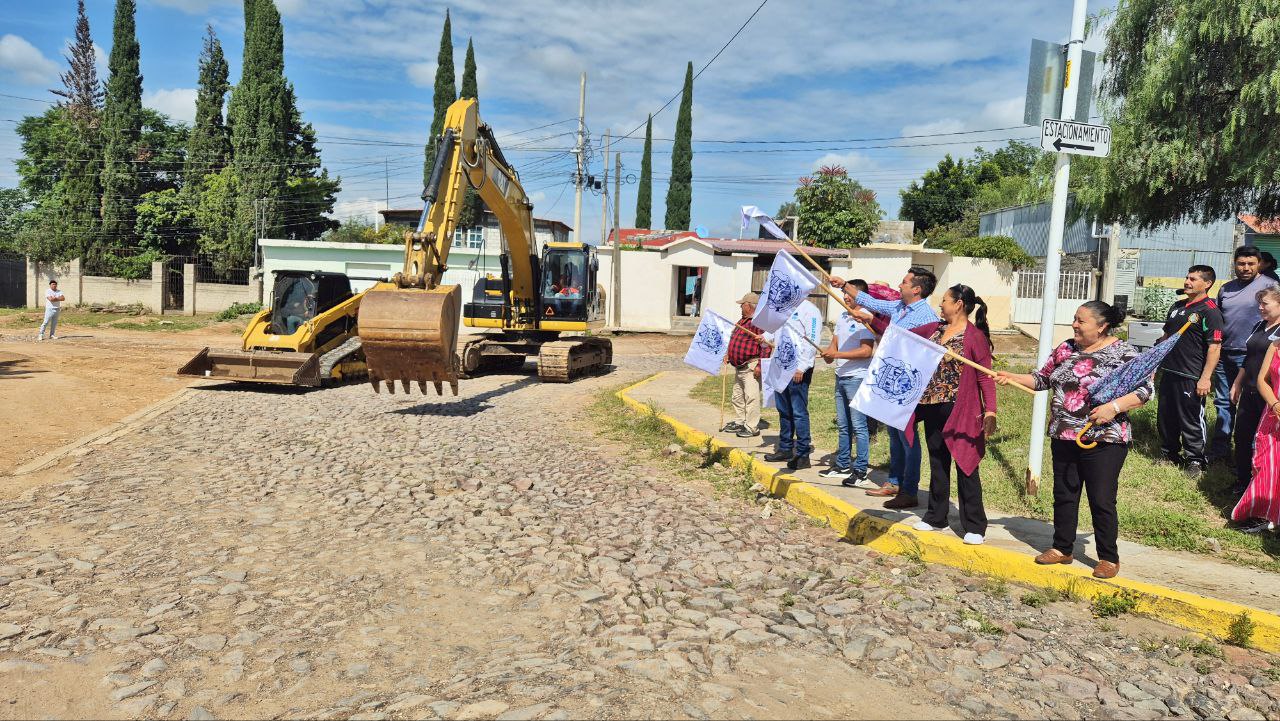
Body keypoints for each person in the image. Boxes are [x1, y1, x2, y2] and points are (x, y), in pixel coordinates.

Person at [996, 301, 1152, 579]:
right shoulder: (1066, 348)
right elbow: (1042, 379)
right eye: (1075, 320)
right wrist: (1011, 376)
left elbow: (1144, 391)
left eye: (1081, 321)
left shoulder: (1125, 353)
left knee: (1102, 498)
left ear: (1102, 326)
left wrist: (1112, 408)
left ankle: (1107, 557)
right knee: (1064, 493)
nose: (1075, 325)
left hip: (1105, 438)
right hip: (1064, 433)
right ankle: (1061, 547)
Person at [830, 267, 941, 510]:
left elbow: (911, 344)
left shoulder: (927, 317)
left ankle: (909, 489)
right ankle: (894, 482)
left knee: (908, 438)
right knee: (894, 434)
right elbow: (869, 301)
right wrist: (843, 284)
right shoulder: (899, 307)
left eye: (904, 282)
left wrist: (876, 323)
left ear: (916, 289)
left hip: (907, 385)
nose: (899, 286)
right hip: (890, 380)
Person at [913, 284, 998, 545]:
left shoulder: (974, 337)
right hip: (931, 405)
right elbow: (901, 336)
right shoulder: (934, 330)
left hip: (961, 409)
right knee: (938, 461)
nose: (941, 304)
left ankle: (974, 525)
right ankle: (935, 516)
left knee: (966, 463)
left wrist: (991, 410)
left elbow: (985, 376)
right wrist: (872, 317)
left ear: (958, 304)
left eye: (945, 300)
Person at [1158, 265, 1224, 479]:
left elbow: (1214, 347)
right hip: (1169, 370)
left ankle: (1195, 459)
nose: (1187, 282)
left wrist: (1205, 378)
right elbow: (1166, 339)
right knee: (1166, 416)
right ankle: (1169, 454)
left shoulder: (1210, 310)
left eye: (1193, 279)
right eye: (1187, 277)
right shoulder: (1177, 306)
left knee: (1191, 418)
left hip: (1191, 375)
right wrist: (1153, 363)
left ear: (1207, 284)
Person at [1211, 246, 1276, 461]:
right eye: (1241, 264)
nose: (1245, 268)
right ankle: (1221, 451)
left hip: (1254, 357)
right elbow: (1219, 320)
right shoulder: (1226, 289)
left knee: (1251, 407)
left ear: (1259, 264)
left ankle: (1254, 455)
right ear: (1235, 264)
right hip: (1224, 353)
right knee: (1223, 402)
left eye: (1251, 264)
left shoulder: (1271, 287)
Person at [818, 280, 876, 487]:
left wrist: (838, 353)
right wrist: (828, 355)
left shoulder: (866, 317)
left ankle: (860, 470)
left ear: (860, 294)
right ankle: (842, 464)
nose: (845, 296)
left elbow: (867, 351)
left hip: (857, 377)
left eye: (849, 292)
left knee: (859, 427)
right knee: (843, 425)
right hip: (840, 376)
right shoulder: (843, 315)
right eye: (844, 292)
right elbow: (834, 345)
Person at [1229, 286, 1280, 497]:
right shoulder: (1259, 325)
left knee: (1263, 444)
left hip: (1269, 395)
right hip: (1249, 390)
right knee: (1241, 437)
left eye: (1265, 304)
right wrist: (1237, 383)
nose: (1260, 308)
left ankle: (1259, 485)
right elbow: (1248, 358)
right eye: (1259, 303)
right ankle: (1242, 481)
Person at [765, 298, 823, 470]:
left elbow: (812, 339)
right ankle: (785, 448)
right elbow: (775, 330)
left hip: (798, 368)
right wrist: (764, 337)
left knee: (798, 412)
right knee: (784, 410)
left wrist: (802, 367)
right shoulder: (784, 307)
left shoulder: (810, 310)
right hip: (781, 364)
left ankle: (803, 454)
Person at [1236, 336, 1280, 533]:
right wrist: (1276, 406)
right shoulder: (1275, 344)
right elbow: (1262, 380)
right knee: (1264, 464)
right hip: (1273, 414)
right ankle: (1263, 515)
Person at [722, 293, 769, 438]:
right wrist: (728, 354)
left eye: (742, 304)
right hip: (739, 366)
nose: (740, 306)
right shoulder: (742, 321)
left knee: (751, 397)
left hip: (751, 366)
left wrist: (760, 365)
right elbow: (735, 339)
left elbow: (765, 345)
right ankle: (740, 421)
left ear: (749, 305)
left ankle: (751, 426)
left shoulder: (758, 322)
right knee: (737, 396)